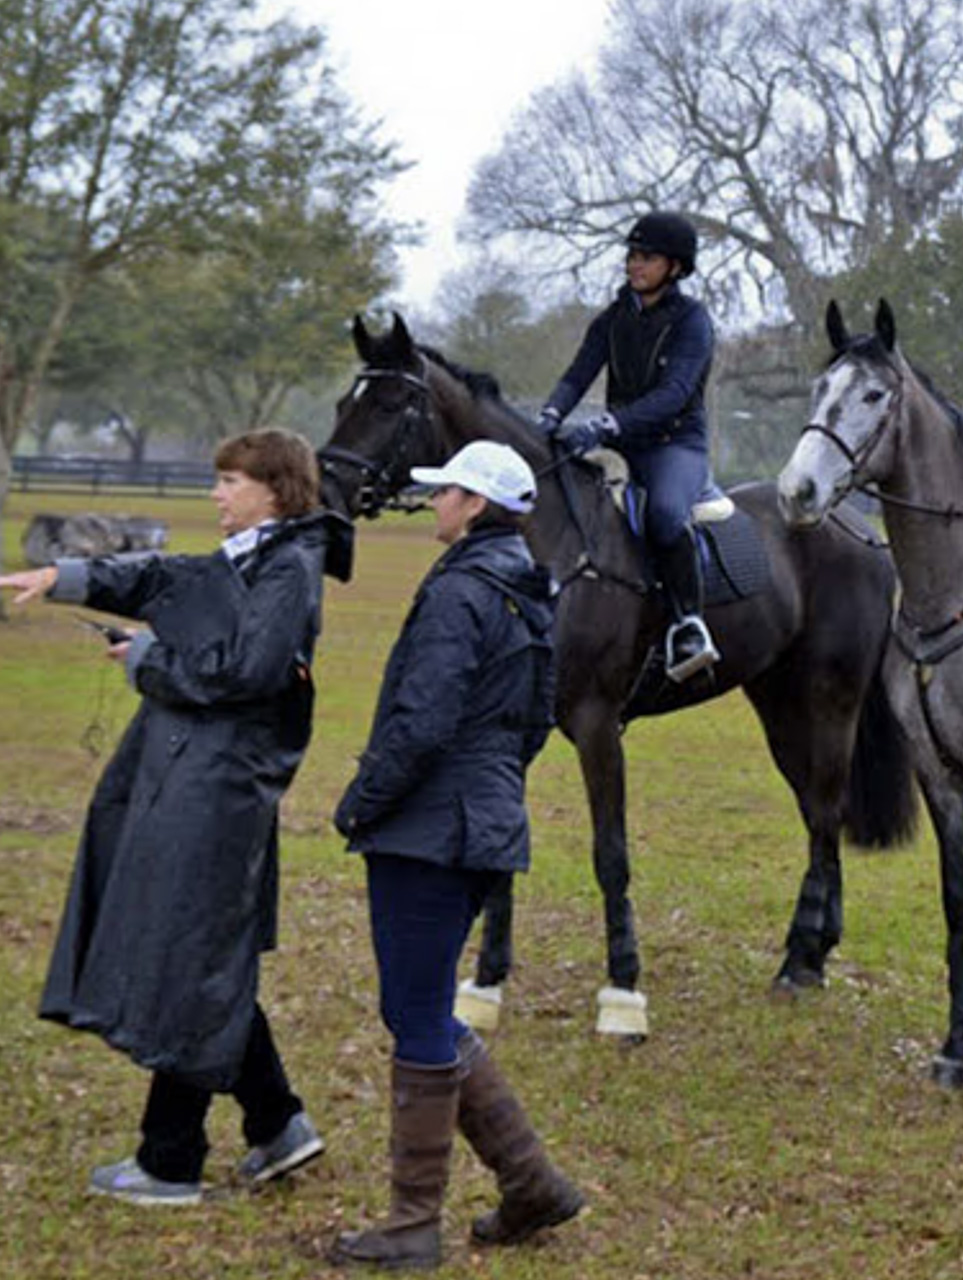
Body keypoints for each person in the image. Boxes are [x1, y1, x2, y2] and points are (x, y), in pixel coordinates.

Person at [0, 429, 351, 1205]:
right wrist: (66, 576)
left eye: (230, 480)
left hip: (223, 789)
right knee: (207, 954)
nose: (217, 494)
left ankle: (170, 1162)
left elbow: (250, 674)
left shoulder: (290, 567)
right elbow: (164, 577)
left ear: (275, 488)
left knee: (196, 958)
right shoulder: (253, 555)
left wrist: (148, 663)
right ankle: (278, 1123)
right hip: (199, 777)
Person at [328, 440, 580, 1270]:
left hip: (428, 831)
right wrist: (488, 789)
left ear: (476, 506)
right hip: (481, 824)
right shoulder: (527, 592)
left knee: (417, 1014)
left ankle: (412, 1224)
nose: (435, 503)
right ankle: (531, 1183)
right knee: (422, 1009)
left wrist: (362, 801)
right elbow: (535, 723)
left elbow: (424, 722)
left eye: (448, 493)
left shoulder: (462, 592)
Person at [539, 209, 719, 683]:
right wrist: (552, 413)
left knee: (663, 514)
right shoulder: (612, 318)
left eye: (647, 257)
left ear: (675, 267)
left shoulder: (692, 321)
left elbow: (674, 394)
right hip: (620, 443)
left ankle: (688, 623)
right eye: (632, 255)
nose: (634, 264)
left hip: (674, 445)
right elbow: (579, 373)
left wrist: (602, 424)